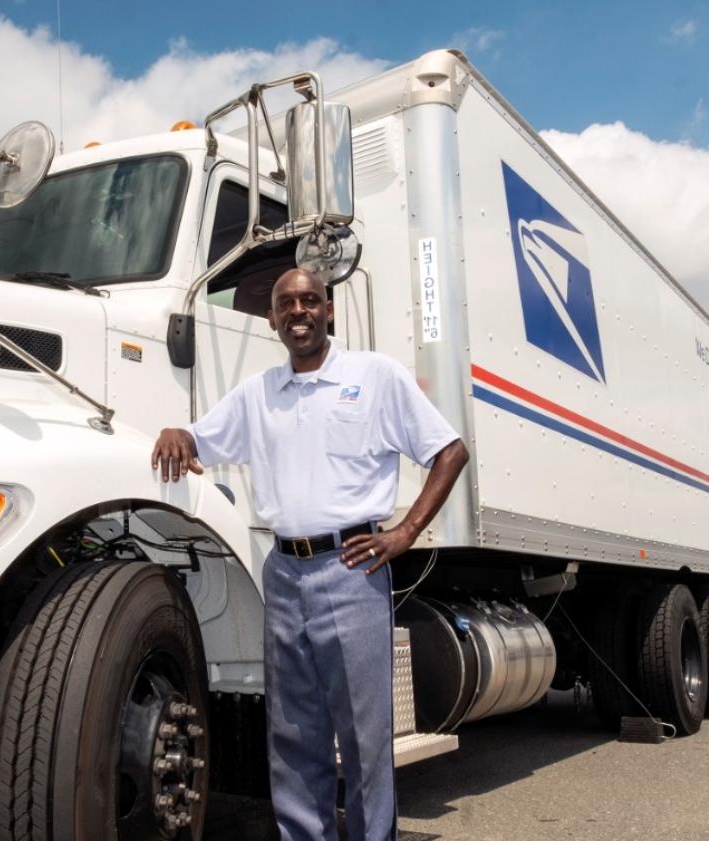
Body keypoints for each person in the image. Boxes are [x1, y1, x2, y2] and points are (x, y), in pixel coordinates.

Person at [151, 268, 469, 841]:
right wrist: (179, 432)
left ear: (328, 311)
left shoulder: (375, 377)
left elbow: (449, 451)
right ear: (272, 320)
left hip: (351, 569)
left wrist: (405, 532)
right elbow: (203, 437)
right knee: (294, 733)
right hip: (283, 574)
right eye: (285, 304)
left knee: (363, 736)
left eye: (309, 301)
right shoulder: (259, 392)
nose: (298, 312)